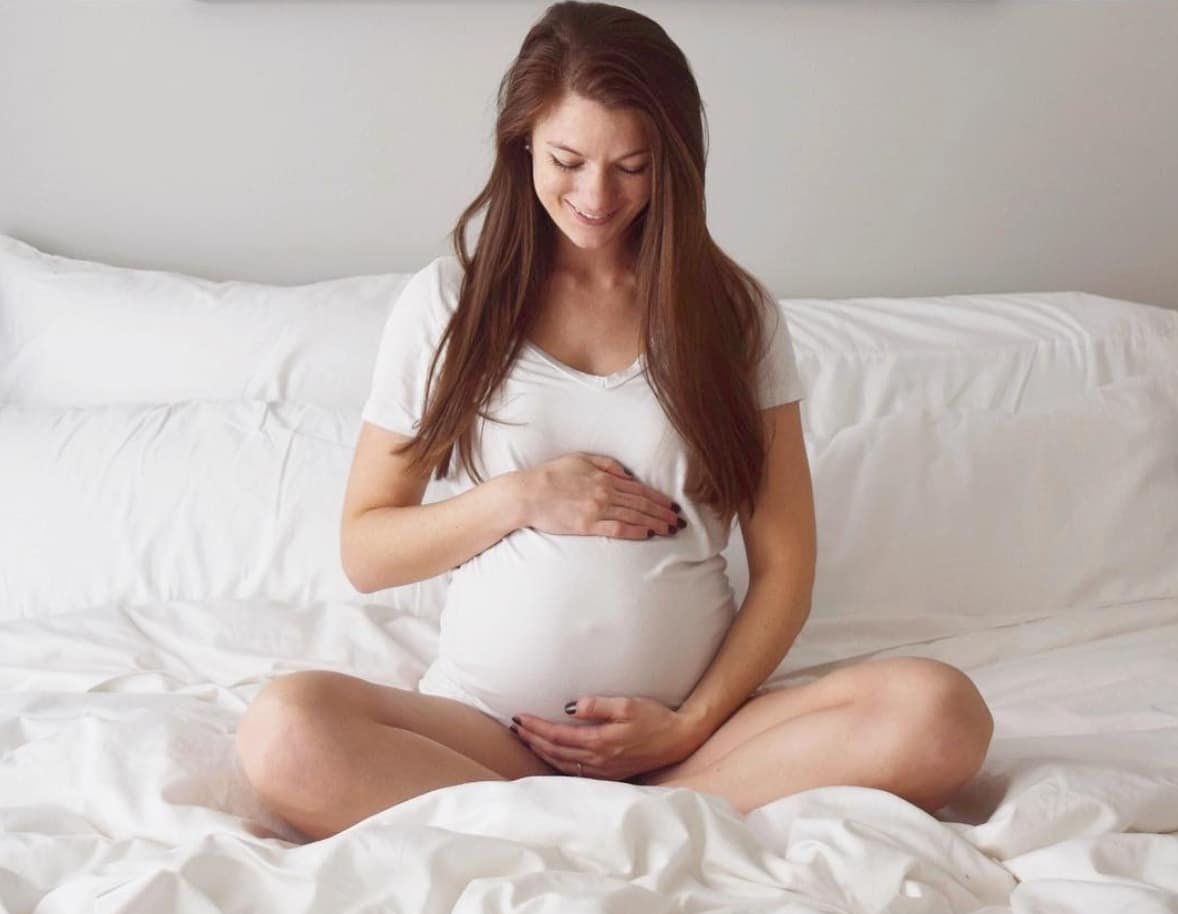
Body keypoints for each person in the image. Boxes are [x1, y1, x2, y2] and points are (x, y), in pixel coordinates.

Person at [236, 0, 994, 842]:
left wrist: (690, 722)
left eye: (631, 167)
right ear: (522, 141)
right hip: (486, 734)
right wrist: (520, 499)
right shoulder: (449, 303)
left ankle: (588, 822)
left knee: (941, 713)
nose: (596, 196)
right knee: (283, 730)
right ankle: (621, 829)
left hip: (686, 743)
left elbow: (786, 571)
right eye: (567, 159)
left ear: (672, 162)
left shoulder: (734, 316)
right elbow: (366, 549)